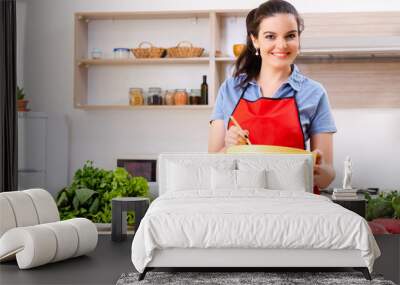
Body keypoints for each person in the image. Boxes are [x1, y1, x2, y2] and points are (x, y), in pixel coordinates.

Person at [207, 0, 336, 190]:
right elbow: (211, 166)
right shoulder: (230, 89)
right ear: (255, 40)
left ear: (299, 39)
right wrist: (229, 148)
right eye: (270, 36)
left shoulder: (314, 93)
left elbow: (327, 176)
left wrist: (320, 171)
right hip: (239, 205)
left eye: (290, 36)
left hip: (294, 208)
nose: (281, 45)